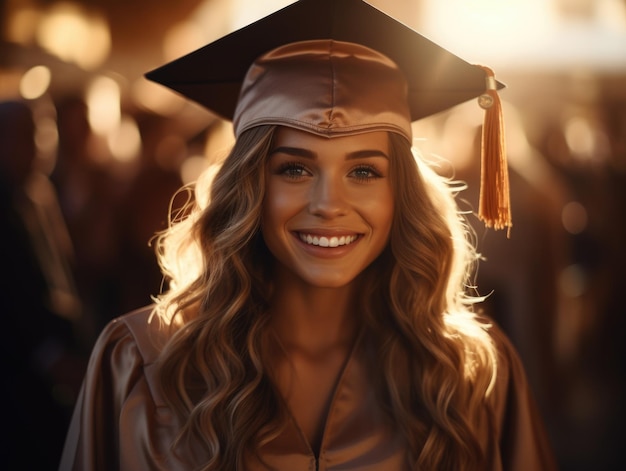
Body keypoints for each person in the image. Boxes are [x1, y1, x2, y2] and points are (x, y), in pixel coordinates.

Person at [59, 0, 557, 469]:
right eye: (294, 170)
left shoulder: (470, 376)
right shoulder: (141, 365)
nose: (328, 204)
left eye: (364, 172)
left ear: (400, 196)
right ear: (250, 185)